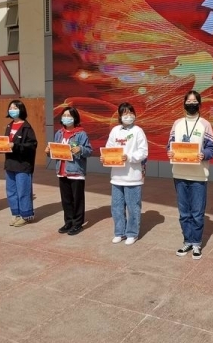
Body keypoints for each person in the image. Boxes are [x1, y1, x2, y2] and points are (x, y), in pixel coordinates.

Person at [168, 91, 213, 259]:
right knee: (184, 213)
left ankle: (196, 243)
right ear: (184, 104)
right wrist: (170, 152)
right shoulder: (177, 124)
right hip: (179, 173)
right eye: (188, 101)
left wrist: (203, 154)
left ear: (199, 104)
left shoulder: (205, 124)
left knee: (197, 212)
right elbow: (170, 145)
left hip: (198, 175)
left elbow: (212, 149)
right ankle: (187, 241)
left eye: (194, 101)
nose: (191, 103)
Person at [101, 102, 148, 245]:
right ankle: (119, 232)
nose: (128, 116)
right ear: (120, 116)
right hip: (117, 176)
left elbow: (143, 152)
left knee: (133, 206)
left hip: (133, 176)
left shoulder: (138, 131)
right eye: (125, 113)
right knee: (117, 206)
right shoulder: (115, 130)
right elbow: (109, 148)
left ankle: (132, 233)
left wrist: (129, 157)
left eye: (131, 112)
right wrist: (105, 157)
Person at [48, 106, 92, 235]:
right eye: (64, 115)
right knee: (66, 199)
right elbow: (56, 150)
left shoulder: (81, 134)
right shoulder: (59, 133)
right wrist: (49, 151)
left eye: (69, 116)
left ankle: (77, 223)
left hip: (75, 171)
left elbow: (89, 151)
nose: (66, 118)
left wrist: (80, 149)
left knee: (77, 199)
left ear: (75, 118)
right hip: (62, 171)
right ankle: (68, 222)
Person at [0, 100, 38, 227]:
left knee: (23, 191)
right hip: (10, 163)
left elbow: (32, 145)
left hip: (23, 164)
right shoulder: (9, 126)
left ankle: (26, 215)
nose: (12, 110)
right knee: (11, 191)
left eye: (15, 108)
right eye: (10, 108)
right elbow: (5, 143)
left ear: (21, 110)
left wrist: (15, 145)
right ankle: (15, 213)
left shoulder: (27, 127)